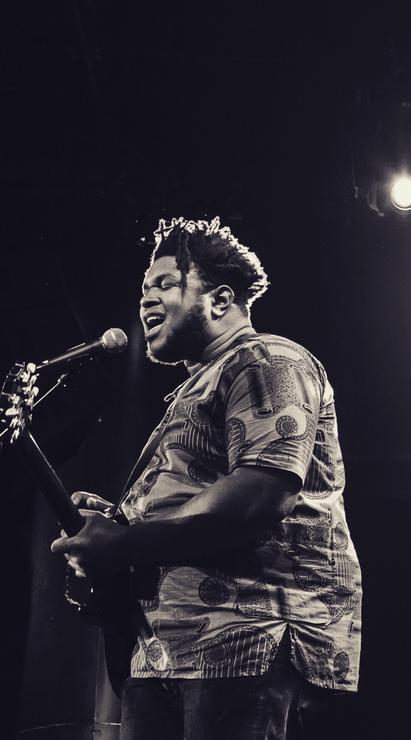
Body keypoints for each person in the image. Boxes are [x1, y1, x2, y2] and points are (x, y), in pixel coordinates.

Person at [50, 216, 361, 739]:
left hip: (245, 638)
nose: (146, 300)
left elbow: (260, 494)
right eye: (143, 289)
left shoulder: (267, 359)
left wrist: (124, 542)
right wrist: (121, 520)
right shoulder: (194, 390)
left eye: (165, 284)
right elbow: (191, 503)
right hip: (165, 650)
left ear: (219, 301)